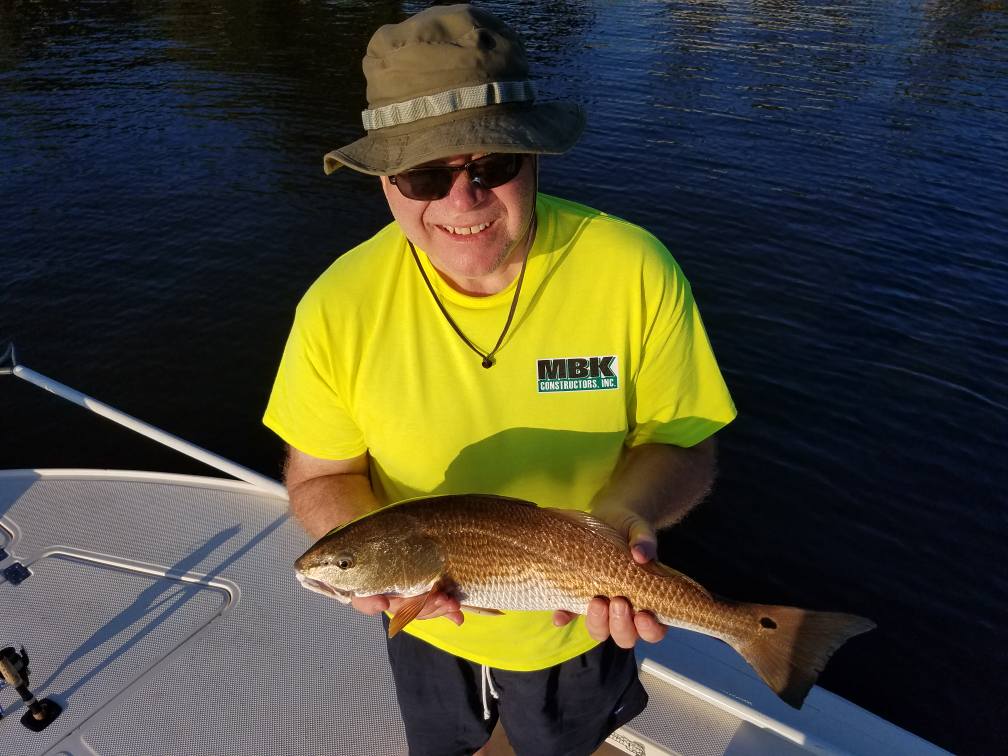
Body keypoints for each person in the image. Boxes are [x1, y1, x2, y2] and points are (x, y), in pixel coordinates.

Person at [264, 4, 736, 755]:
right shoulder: (337, 305)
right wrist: (374, 569)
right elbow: (320, 476)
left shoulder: (633, 268)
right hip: (425, 617)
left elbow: (685, 446)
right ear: (383, 182)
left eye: (492, 164)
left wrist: (622, 522)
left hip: (580, 618)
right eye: (424, 174)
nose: (462, 201)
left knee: (559, 746)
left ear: (534, 158)